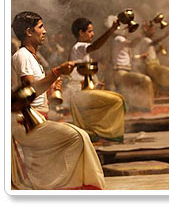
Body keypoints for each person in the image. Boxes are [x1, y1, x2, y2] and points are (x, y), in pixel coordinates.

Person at [11, 11, 105, 190]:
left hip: (35, 120)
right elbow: (29, 91)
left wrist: (53, 87)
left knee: (75, 135)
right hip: (25, 124)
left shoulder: (31, 56)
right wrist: (56, 73)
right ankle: (68, 187)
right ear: (29, 32)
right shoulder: (22, 55)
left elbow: (36, 92)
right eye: (41, 27)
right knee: (79, 137)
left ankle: (56, 183)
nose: (45, 31)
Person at [67, 17, 125, 143]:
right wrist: (111, 31)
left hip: (84, 91)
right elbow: (95, 46)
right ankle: (109, 134)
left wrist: (96, 83)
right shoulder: (78, 47)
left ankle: (98, 132)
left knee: (113, 99)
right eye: (89, 31)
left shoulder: (80, 50)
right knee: (118, 101)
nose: (92, 34)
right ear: (81, 33)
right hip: (79, 92)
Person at [106, 15, 154, 112]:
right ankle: (144, 107)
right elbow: (132, 44)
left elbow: (131, 57)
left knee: (142, 80)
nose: (129, 30)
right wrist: (143, 33)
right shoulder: (118, 38)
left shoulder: (121, 40)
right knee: (146, 80)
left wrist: (140, 56)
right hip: (120, 73)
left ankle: (138, 105)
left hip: (124, 72)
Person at [137, 22, 169, 96]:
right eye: (151, 30)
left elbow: (151, 54)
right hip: (150, 66)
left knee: (166, 70)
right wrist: (165, 36)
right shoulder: (145, 39)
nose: (153, 32)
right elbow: (154, 43)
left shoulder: (148, 40)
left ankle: (165, 91)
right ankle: (166, 91)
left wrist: (158, 50)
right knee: (166, 71)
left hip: (154, 64)